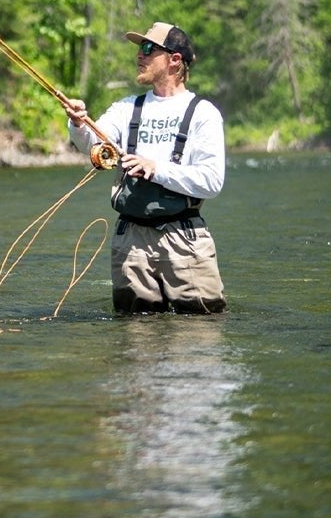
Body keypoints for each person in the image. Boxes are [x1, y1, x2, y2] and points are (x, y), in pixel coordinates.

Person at [61, 22, 226, 314]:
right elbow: (94, 144)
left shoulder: (203, 113)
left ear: (175, 60)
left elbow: (211, 181)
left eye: (149, 49)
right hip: (130, 240)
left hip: (185, 238)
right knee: (135, 334)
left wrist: (156, 168)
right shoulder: (126, 108)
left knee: (202, 330)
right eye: (139, 49)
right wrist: (77, 122)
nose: (140, 55)